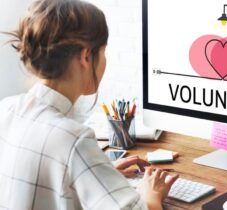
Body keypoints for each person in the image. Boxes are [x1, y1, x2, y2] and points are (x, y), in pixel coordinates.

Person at [0, 0, 178, 210]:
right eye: (103, 51)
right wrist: (150, 195)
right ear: (86, 56)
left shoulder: (7, 108)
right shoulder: (74, 138)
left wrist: (97, 172)